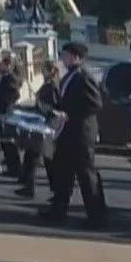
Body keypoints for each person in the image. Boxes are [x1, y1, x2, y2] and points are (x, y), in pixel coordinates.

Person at [42, 42, 107, 227]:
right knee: (63, 171)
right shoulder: (69, 76)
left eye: (66, 55)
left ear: (76, 57)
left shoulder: (84, 77)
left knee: (86, 174)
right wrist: (55, 109)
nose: (63, 58)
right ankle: (57, 211)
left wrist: (69, 113)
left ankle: (96, 216)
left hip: (81, 132)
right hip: (68, 131)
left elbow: (95, 104)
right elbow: (67, 100)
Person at [15, 60, 61, 199]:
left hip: (45, 126)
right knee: (35, 157)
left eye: (44, 69)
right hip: (42, 125)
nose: (41, 71)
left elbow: (52, 107)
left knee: (41, 159)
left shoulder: (51, 86)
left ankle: (55, 191)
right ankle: (30, 186)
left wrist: (40, 108)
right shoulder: (49, 84)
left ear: (50, 71)